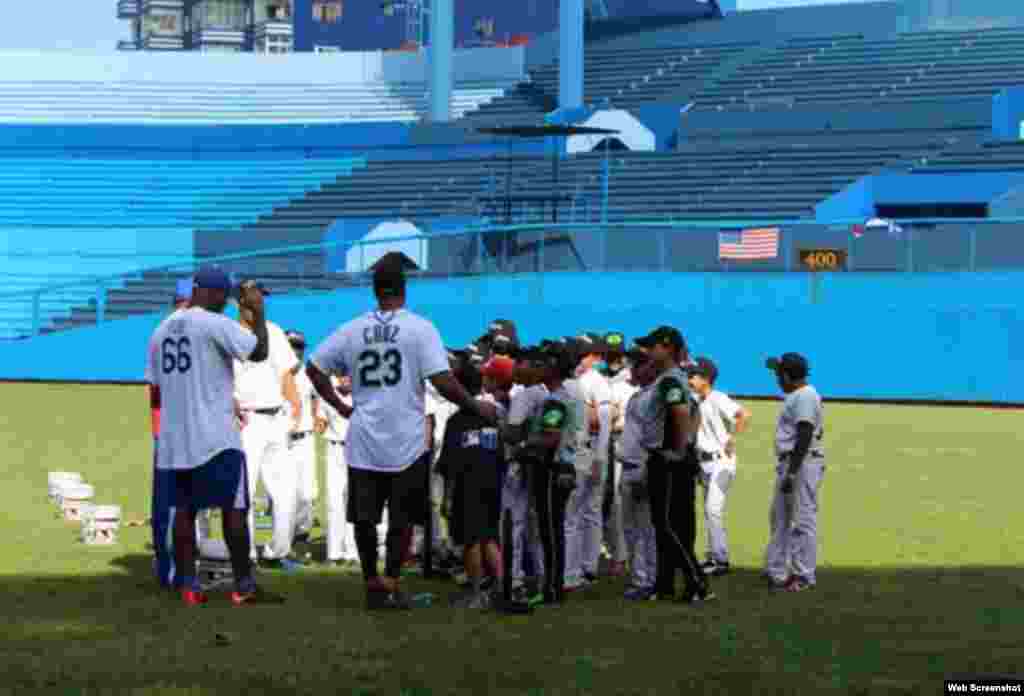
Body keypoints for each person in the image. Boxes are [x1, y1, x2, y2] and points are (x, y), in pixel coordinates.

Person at [306, 259, 498, 610]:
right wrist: (474, 405)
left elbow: (314, 367)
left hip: (364, 435)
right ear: (404, 290)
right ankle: (391, 581)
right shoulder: (419, 328)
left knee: (363, 517)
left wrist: (338, 405)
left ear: (375, 291)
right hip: (406, 437)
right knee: (402, 517)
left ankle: (371, 582)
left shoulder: (352, 329)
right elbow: (442, 380)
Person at [146, 269, 282, 606]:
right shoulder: (212, 322)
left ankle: (189, 586)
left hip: (176, 439)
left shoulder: (162, 329)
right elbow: (259, 351)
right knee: (234, 510)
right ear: (213, 293)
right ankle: (244, 586)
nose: (226, 302)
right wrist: (259, 313)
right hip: (216, 437)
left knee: (184, 512)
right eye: (225, 295)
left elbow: (157, 385)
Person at [635, 326, 714, 603]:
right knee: (672, 524)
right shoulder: (671, 380)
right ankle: (665, 583)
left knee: (667, 524)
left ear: (667, 348)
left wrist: (679, 450)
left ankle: (696, 582)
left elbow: (681, 413)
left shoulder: (670, 381)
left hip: (668, 459)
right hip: (670, 458)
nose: (647, 351)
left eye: (652, 346)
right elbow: (694, 414)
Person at [232, 282, 303, 565]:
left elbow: (286, 375)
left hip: (276, 417)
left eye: (261, 299)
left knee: (286, 492)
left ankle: (278, 552)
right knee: (243, 492)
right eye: (253, 299)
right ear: (239, 303)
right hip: (246, 420)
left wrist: (295, 406)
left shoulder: (273, 331)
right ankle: (246, 553)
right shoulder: (229, 333)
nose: (258, 304)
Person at [503, 343, 579, 607]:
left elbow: (549, 438)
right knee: (551, 529)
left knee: (551, 530)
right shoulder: (564, 395)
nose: (539, 368)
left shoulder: (556, 400)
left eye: (544, 363)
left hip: (553, 469)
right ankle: (552, 586)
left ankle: (552, 590)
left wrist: (522, 446)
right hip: (560, 468)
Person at [439, 363, 507, 609]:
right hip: (494, 484)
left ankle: (477, 593)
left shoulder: (456, 422)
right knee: (489, 538)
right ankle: (501, 589)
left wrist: (447, 498)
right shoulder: (492, 415)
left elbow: (449, 465)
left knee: (471, 541)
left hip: (467, 487)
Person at [763, 352, 825, 593]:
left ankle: (803, 575)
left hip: (801, 463)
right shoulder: (798, 395)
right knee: (779, 517)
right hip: (792, 463)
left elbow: (805, 432)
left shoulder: (806, 396)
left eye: (778, 374)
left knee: (802, 520)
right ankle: (777, 571)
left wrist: (792, 472)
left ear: (788, 375)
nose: (777, 378)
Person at [687, 356, 751, 576]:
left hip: (722, 462)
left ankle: (721, 561)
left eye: (694, 375)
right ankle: (712, 557)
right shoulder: (695, 400)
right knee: (709, 511)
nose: (690, 378)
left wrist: (732, 437)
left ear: (706, 378)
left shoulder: (717, 398)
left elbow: (743, 414)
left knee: (713, 510)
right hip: (703, 462)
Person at [151, 280, 192, 589]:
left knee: (167, 502)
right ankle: (175, 570)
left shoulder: (159, 331)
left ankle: (170, 567)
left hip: (166, 429)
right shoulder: (193, 330)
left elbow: (153, 388)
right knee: (177, 503)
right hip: (180, 430)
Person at [564, 333, 612, 590]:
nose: (580, 360)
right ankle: (586, 565)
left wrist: (596, 456)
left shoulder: (593, 381)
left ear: (593, 357)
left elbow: (600, 419)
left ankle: (577, 569)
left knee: (576, 510)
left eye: (583, 355)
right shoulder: (583, 380)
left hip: (588, 451)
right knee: (587, 509)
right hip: (591, 450)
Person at [617, 347, 659, 600]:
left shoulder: (653, 398)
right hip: (628, 467)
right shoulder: (637, 396)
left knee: (646, 529)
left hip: (641, 468)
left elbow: (653, 440)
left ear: (650, 368)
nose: (633, 370)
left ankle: (649, 581)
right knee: (631, 529)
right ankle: (639, 578)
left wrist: (645, 472)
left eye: (637, 366)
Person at [286, 330, 326, 545]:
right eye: (292, 345)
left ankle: (301, 536)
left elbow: (317, 395)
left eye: (299, 346)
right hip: (284, 440)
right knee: (283, 492)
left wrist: (318, 415)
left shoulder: (308, 374)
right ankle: (283, 538)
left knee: (309, 492)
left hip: (306, 437)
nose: (295, 350)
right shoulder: (276, 372)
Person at [321, 374, 362, 566]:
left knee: (354, 501)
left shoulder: (363, 395)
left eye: (348, 375)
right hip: (334, 448)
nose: (345, 379)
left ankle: (352, 552)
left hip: (357, 449)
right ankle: (333, 553)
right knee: (333, 500)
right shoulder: (328, 396)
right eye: (341, 376)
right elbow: (320, 421)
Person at [603, 331, 630, 578]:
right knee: (598, 501)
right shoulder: (600, 378)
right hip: (598, 446)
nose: (613, 359)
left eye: (617, 354)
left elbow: (625, 420)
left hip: (620, 447)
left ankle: (620, 556)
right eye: (609, 354)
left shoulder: (629, 381)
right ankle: (607, 550)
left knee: (618, 503)